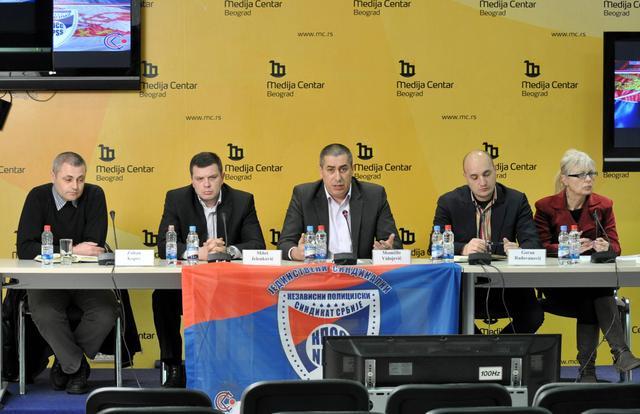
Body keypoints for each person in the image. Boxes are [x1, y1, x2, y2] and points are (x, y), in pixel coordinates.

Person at [155, 151, 265, 387]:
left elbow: (257, 244)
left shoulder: (243, 200)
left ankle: (232, 366)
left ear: (222, 177)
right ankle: (172, 365)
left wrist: (228, 250)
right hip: (190, 284)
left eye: (212, 178)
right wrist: (199, 252)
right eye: (200, 179)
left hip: (228, 285)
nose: (206, 184)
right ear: (192, 180)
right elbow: (164, 245)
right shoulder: (177, 199)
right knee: (162, 297)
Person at [16, 151, 118, 394]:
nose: (75, 186)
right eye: (68, 179)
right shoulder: (37, 197)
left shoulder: (95, 194)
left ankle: (66, 363)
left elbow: (94, 246)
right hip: (46, 280)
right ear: (53, 176)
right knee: (44, 312)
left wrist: (60, 251)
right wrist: (71, 250)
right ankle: (77, 366)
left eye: (81, 179)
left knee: (106, 311)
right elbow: (25, 248)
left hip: (86, 279)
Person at [534, 149, 640, 382]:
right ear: (565, 179)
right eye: (581, 175)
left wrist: (606, 246)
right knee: (594, 293)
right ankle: (615, 355)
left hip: (592, 286)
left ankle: (589, 370)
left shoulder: (603, 205)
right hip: (559, 288)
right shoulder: (545, 207)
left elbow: (616, 247)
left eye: (591, 174)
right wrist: (566, 248)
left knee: (591, 292)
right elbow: (538, 246)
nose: (588, 179)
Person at [432, 150, 544, 334]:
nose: (482, 182)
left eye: (486, 174)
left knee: (533, 315)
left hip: (508, 286)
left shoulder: (516, 200)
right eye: (474, 177)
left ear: (495, 170)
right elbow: (434, 247)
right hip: (465, 286)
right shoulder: (448, 202)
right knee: (450, 313)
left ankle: (500, 348)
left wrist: (519, 251)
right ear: (465, 177)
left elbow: (533, 243)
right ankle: (482, 348)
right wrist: (464, 248)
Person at [278, 143, 401, 260]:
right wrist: (296, 253)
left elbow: (392, 242)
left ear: (352, 169)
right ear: (321, 171)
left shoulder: (374, 195)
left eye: (343, 169)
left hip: (361, 272)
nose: (338, 177)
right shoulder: (304, 195)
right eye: (330, 170)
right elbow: (285, 243)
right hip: (319, 271)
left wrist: (388, 251)